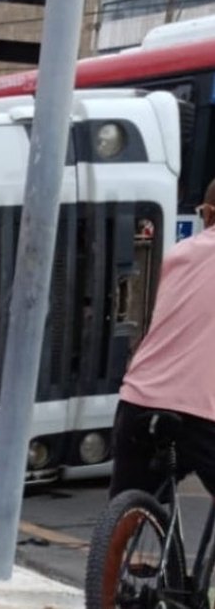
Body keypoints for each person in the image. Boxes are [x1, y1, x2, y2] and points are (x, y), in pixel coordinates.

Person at [110, 180, 215, 498]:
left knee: (129, 507)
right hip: (202, 411)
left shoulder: (179, 254)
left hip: (138, 399)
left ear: (208, 214)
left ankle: (123, 528)